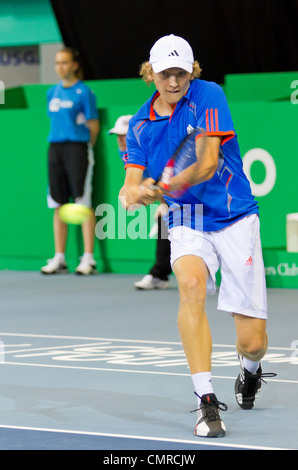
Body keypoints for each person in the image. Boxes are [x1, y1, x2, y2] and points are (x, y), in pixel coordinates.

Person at [119, 34, 275, 438]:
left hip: (235, 215)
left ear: (193, 72)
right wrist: (129, 192)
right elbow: (131, 178)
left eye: (182, 74)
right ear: (149, 72)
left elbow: (206, 164)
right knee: (190, 284)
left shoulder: (209, 95)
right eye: (166, 73)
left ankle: (251, 370)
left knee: (253, 342)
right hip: (188, 218)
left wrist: (164, 188)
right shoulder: (139, 124)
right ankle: (207, 402)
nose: (174, 82)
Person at [41, 47, 100, 275]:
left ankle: (88, 258)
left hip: (77, 148)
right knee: (57, 202)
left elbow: (93, 126)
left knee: (82, 202)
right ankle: (59, 257)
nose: (60, 67)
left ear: (74, 65)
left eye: (64, 62)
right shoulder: (51, 92)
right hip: (55, 148)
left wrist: (85, 148)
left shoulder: (84, 93)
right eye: (57, 63)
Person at [109, 115, 171, 289]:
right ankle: (160, 274)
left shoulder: (151, 151)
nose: (120, 140)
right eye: (118, 136)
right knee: (165, 223)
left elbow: (162, 179)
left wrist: (163, 203)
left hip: (187, 194)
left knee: (166, 220)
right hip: (166, 195)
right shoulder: (125, 152)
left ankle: (159, 273)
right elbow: (134, 184)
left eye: (124, 135)